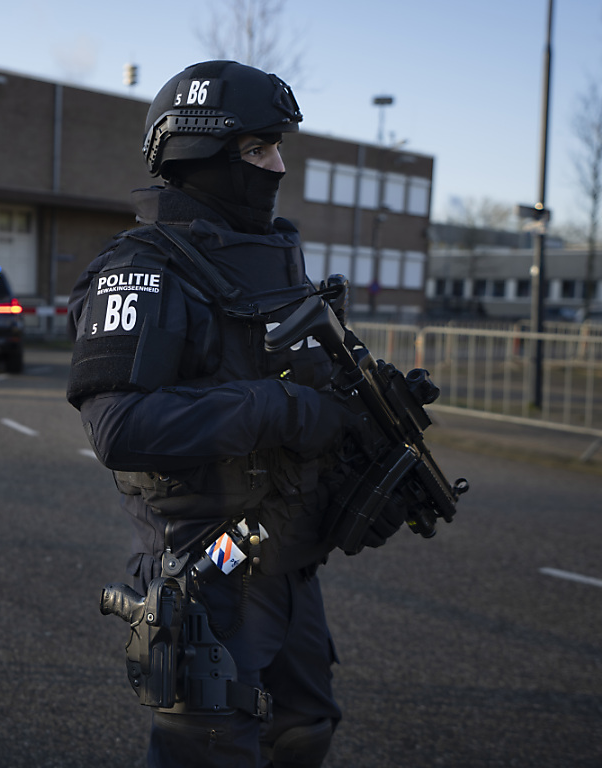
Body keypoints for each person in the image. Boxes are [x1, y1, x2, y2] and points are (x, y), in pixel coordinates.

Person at [66, 61, 406, 768]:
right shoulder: (144, 269)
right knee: (210, 751)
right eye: (258, 150)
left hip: (286, 558)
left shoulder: (273, 256)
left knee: (305, 728)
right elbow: (119, 429)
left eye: (277, 147)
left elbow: (296, 382)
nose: (277, 166)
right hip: (206, 566)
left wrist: (364, 422)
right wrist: (280, 408)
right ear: (202, 153)